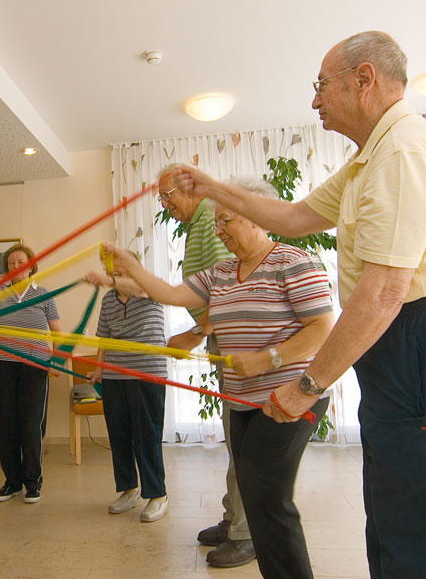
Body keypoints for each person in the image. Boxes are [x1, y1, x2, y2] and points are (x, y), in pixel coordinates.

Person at [171, 31, 426, 579]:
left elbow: (385, 291)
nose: (315, 101)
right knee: (392, 512)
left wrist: (305, 384)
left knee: (419, 520)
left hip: (423, 338)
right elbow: (291, 217)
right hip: (403, 343)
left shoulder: (405, 151)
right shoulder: (372, 159)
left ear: (364, 79)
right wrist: (213, 187)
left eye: (321, 86)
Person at [102, 173, 335, 578]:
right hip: (241, 399)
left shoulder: (295, 262)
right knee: (254, 487)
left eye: (226, 220)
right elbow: (171, 294)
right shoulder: (222, 273)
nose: (219, 229)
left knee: (266, 493)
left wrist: (268, 360)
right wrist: (129, 266)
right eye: (216, 223)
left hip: (290, 397)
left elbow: (323, 329)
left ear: (256, 217)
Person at [157, 166, 255, 566]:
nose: (166, 205)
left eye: (168, 196)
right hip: (222, 337)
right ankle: (235, 519)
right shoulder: (199, 223)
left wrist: (196, 333)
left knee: (243, 439)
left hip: (235, 340)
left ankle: (247, 532)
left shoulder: (210, 220)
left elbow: (226, 288)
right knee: (235, 435)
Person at [0, 243, 61, 504]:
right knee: (5, 421)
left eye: (20, 263)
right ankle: (11, 481)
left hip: (35, 363)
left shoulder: (43, 294)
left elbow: (57, 332)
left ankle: (33, 482)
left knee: (30, 423)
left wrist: (57, 360)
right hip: (1, 363)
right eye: (10, 264)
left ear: (31, 266)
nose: (15, 268)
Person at [85, 254, 169, 523]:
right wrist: (99, 368)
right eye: (110, 268)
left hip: (147, 372)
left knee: (147, 434)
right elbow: (105, 338)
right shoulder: (108, 300)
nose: (114, 271)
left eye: (119, 266)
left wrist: (109, 280)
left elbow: (140, 287)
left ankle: (157, 495)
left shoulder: (149, 287)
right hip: (115, 375)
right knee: (119, 434)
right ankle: (128, 490)